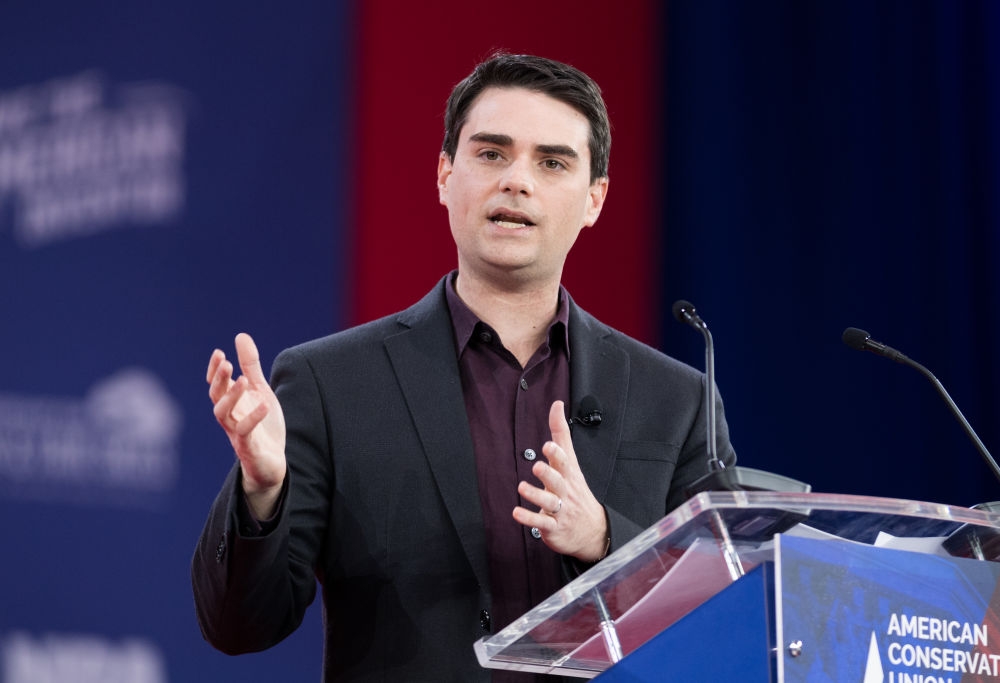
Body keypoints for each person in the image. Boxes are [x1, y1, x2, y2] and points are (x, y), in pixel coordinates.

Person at [192, 53, 736, 682]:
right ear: (445, 175)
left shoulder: (676, 398)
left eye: (552, 162)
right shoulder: (332, 383)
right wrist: (261, 492)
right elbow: (239, 627)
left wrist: (606, 541)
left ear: (595, 200)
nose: (517, 181)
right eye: (491, 154)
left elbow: (723, 615)